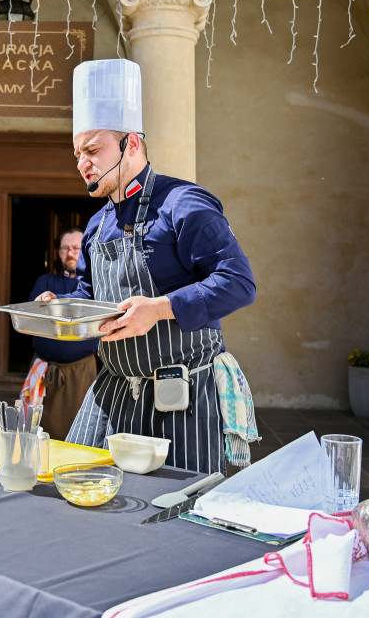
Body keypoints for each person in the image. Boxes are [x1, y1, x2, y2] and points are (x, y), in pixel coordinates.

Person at [37, 58, 258, 474]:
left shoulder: (185, 204)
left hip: (182, 393)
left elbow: (239, 283)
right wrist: (62, 306)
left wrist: (159, 309)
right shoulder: (97, 224)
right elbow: (91, 295)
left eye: (92, 150)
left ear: (132, 144)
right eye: (76, 154)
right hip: (113, 388)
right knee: (73, 482)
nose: (82, 163)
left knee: (178, 511)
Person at [22, 228, 99, 438]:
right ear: (59, 252)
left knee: (78, 431)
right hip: (44, 370)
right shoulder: (46, 281)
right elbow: (34, 313)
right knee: (37, 431)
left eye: (76, 248)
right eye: (65, 248)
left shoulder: (95, 285)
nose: (70, 252)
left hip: (81, 372)